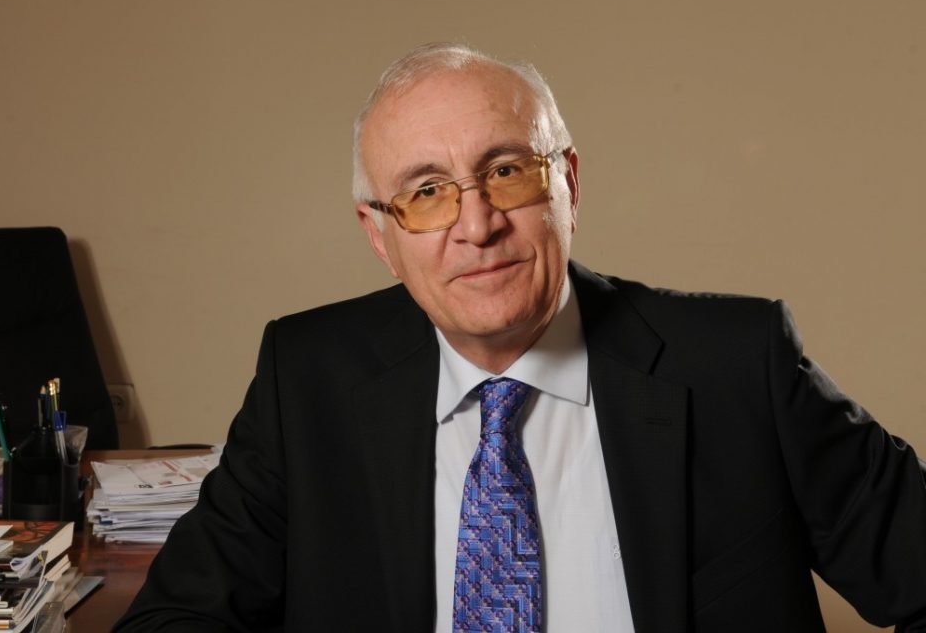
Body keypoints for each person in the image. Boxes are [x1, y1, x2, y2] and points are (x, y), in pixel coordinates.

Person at [116, 43, 926, 632]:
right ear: (379, 235)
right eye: (426, 192)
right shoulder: (308, 381)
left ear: (567, 184)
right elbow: (175, 619)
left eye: (506, 171)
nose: (477, 226)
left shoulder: (738, 367)